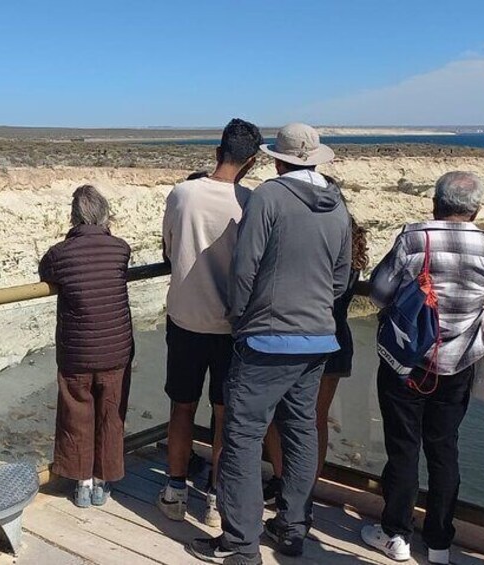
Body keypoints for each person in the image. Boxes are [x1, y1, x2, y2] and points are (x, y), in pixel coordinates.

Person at [189, 123, 352, 564]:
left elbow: (245, 267)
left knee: (242, 436)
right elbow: (341, 279)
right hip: (318, 339)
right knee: (301, 432)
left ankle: (241, 544)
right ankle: (293, 528)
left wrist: (242, 318)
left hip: (267, 339)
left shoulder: (269, 197)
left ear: (278, 160)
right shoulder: (337, 205)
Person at [361, 171, 484, 564]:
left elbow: (380, 292)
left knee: (403, 449)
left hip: (407, 364)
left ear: (435, 203)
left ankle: (396, 534)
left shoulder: (414, 238)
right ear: (475, 209)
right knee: (444, 450)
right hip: (458, 366)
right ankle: (439, 543)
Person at [159, 119, 263, 528]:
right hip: (231, 327)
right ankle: (217, 502)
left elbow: (169, 248)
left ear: (218, 150)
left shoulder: (182, 194)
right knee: (225, 414)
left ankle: (174, 490)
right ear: (251, 161)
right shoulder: (251, 202)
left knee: (181, 407)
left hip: (185, 319)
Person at [262, 209, 369, 512]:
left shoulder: (314, 244)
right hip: (337, 341)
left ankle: (284, 479)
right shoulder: (350, 248)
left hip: (302, 337)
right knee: (316, 420)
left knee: (273, 414)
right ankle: (307, 486)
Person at [39, 185, 133, 508]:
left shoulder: (60, 254)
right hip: (116, 348)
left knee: (77, 413)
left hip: (77, 351)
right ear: (105, 215)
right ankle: (103, 482)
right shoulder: (121, 248)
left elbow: (45, 269)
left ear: (74, 217)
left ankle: (81, 483)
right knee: (110, 412)